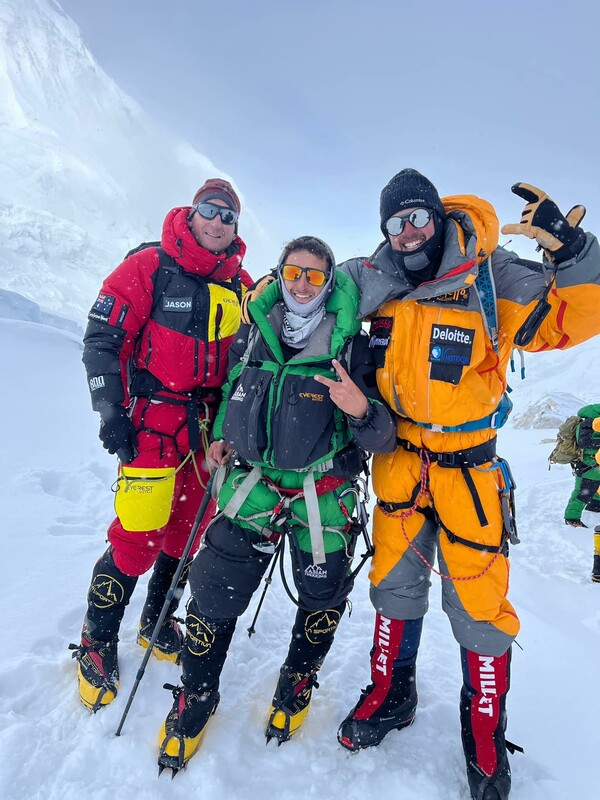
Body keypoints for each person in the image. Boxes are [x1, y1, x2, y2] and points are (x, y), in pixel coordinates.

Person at [336, 169, 600, 800]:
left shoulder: (489, 274)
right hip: (399, 462)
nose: (408, 233)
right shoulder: (375, 281)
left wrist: (573, 252)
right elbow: (306, 292)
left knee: (481, 608)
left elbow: (573, 316)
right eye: (395, 223)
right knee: (393, 587)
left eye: (417, 217)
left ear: (437, 216)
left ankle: (484, 731)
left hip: (469, 472)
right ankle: (392, 693)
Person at [156, 235, 396, 774]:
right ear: (280, 274)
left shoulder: (353, 347)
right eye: (294, 273)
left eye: (315, 275)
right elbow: (233, 389)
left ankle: (297, 680)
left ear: (329, 283)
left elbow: (385, 437)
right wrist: (221, 434)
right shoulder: (254, 331)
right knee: (212, 593)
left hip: (323, 494)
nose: (302, 284)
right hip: (253, 485)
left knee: (322, 594)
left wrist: (361, 410)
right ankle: (197, 694)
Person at [70, 178, 253, 712]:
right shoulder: (148, 265)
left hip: (208, 434)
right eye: (209, 210)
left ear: (236, 228)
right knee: (137, 533)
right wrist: (111, 411)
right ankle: (96, 638)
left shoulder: (242, 286)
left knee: (187, 533)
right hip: (151, 424)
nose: (217, 222)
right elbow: (102, 339)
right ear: (192, 213)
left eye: (228, 216)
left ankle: (156, 620)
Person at [563, 404, 600, 528]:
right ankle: (571, 518)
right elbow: (584, 443)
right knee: (582, 493)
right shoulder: (587, 423)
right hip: (588, 466)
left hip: (596, 465)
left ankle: (595, 506)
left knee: (595, 489)